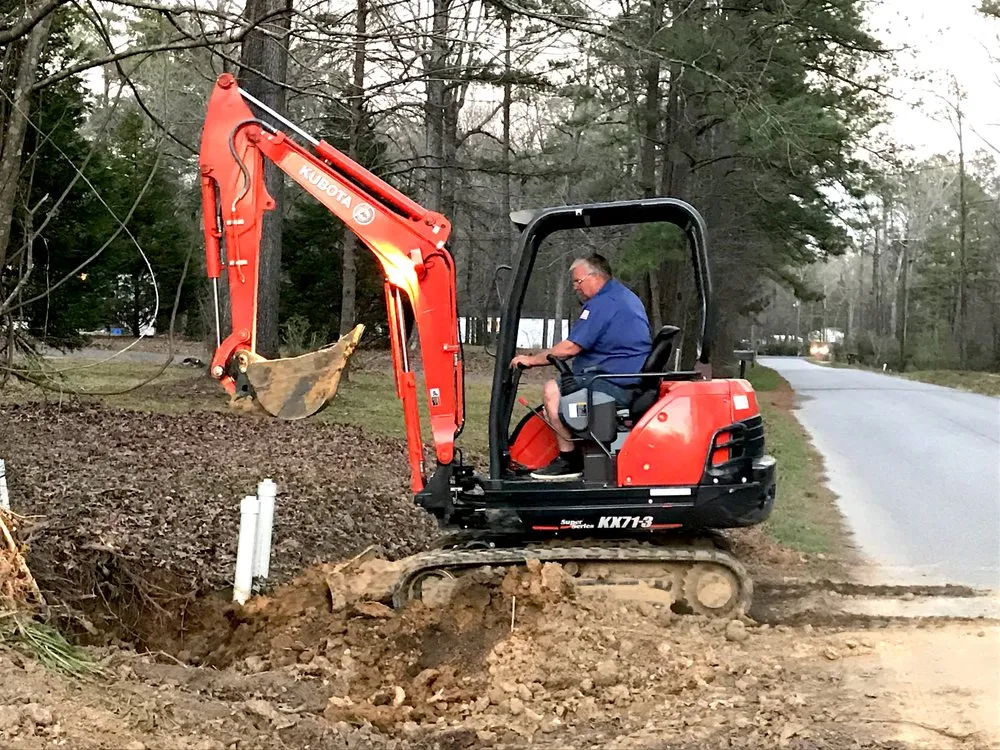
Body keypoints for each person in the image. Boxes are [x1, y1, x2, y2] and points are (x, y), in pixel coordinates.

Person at [511, 253, 652, 480]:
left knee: (552, 391)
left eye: (578, 281)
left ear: (596, 276)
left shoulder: (604, 303)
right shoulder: (621, 297)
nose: (576, 287)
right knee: (562, 390)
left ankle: (569, 460)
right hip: (618, 378)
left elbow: (569, 348)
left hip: (614, 383)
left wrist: (531, 360)